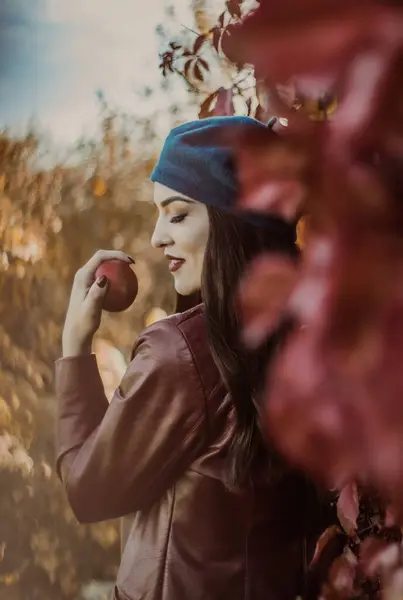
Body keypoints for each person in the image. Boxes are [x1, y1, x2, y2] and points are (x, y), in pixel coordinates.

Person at [55, 116, 326, 600]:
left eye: (177, 214)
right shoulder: (313, 341)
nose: (158, 237)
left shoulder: (179, 355)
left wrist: (75, 349)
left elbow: (89, 491)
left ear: (231, 222)